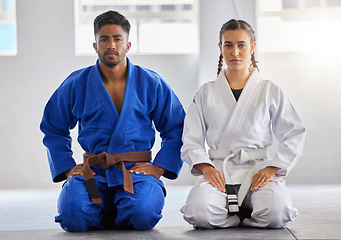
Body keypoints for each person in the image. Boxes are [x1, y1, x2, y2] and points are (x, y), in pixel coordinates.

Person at [40, 10, 185, 232]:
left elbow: (176, 127)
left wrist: (159, 168)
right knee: (72, 216)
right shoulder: (77, 83)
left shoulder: (151, 82)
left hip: (135, 173)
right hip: (94, 173)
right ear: (95, 45)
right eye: (104, 39)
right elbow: (53, 127)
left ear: (127, 45)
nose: (111, 45)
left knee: (143, 213)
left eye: (117, 39)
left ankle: (115, 207)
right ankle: (108, 207)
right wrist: (67, 168)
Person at [180, 19, 305, 229]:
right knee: (199, 213)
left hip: (257, 170)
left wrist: (273, 167)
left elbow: (294, 132)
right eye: (228, 45)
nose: (234, 52)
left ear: (252, 47)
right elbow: (191, 138)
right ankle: (233, 217)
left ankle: (247, 215)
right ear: (220, 48)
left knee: (277, 214)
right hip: (219, 170)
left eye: (241, 45)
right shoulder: (206, 92)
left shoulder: (269, 91)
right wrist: (206, 168)